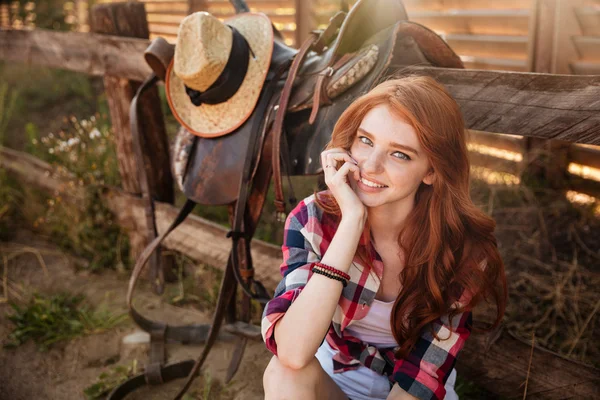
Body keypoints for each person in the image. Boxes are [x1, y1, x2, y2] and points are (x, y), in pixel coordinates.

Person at [261, 76, 507, 400]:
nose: (371, 166)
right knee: (282, 374)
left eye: (400, 155)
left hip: (412, 390)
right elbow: (292, 352)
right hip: (337, 375)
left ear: (431, 171)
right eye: (365, 141)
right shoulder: (314, 220)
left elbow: (419, 383)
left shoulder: (462, 250)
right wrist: (351, 222)